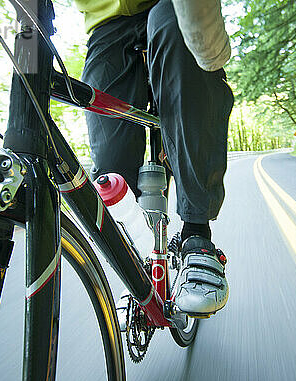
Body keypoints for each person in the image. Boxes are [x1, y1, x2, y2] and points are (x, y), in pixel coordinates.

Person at [75, 0, 233, 316]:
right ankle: (136, 256)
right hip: (105, 22)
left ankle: (196, 235)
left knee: (179, 42)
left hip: (170, 5)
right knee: (111, 165)